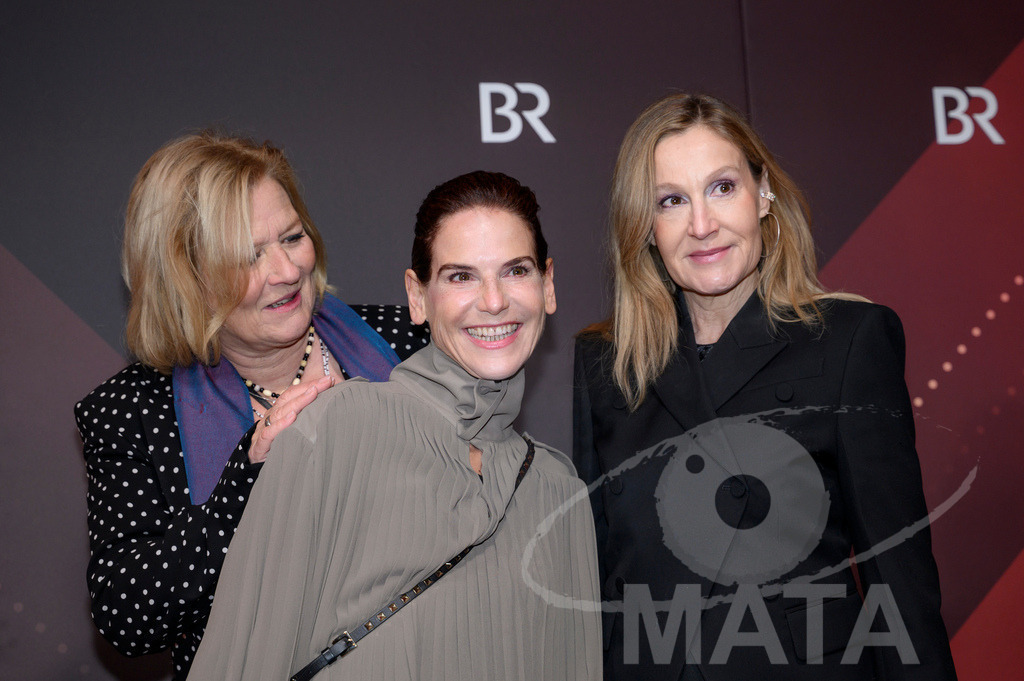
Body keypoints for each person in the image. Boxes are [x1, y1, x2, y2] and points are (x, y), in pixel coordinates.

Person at [573, 93, 957, 680]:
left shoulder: (849, 340)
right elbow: (597, 583)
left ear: (764, 194)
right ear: (645, 229)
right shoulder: (604, 363)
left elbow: (896, 573)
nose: (703, 225)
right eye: (671, 201)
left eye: (722, 188)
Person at [186, 171, 602, 681]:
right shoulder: (337, 429)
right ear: (418, 295)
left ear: (548, 285)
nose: (493, 301)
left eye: (516, 271)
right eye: (460, 276)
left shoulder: (560, 492)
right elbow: (240, 664)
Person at [75, 133, 429, 680]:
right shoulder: (132, 410)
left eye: (292, 237)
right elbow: (128, 616)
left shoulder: (407, 339)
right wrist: (246, 484)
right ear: (184, 277)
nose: (286, 271)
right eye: (248, 256)